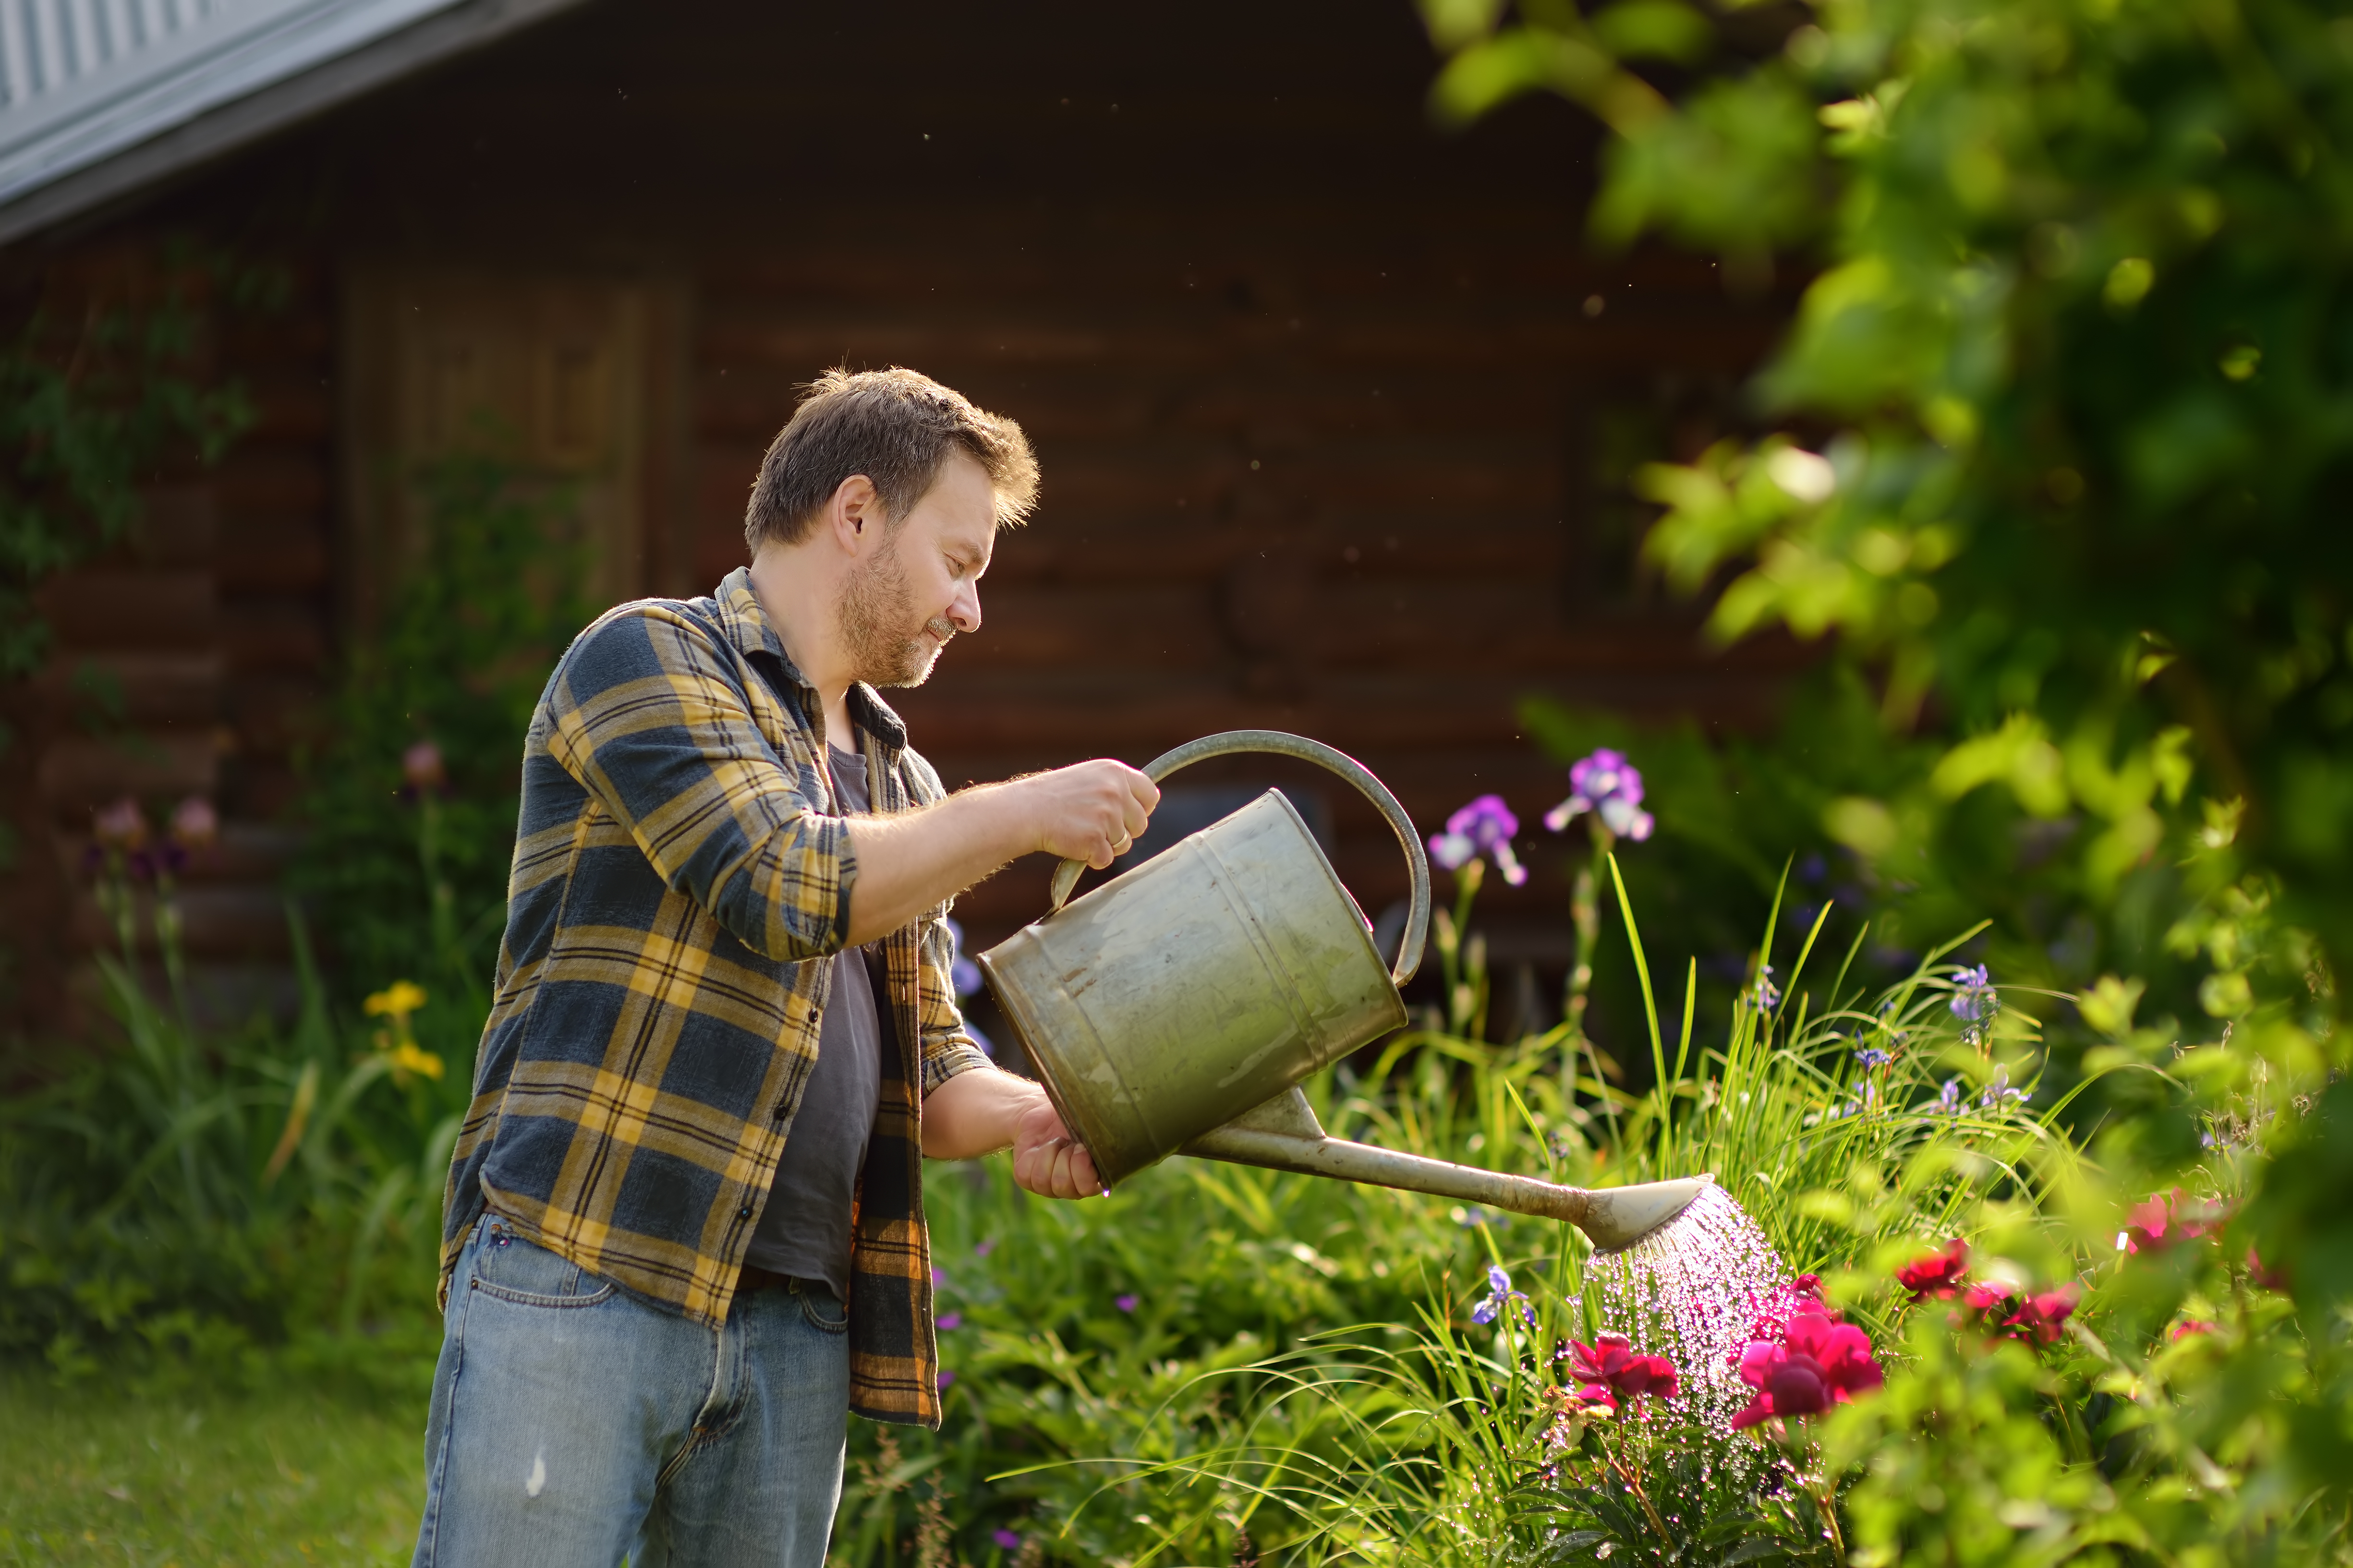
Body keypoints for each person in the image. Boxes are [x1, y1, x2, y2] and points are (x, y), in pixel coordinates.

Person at [412, 367, 1159, 1567]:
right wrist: (1023, 812)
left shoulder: (897, 782)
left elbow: (929, 1062)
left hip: (796, 1324)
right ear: (855, 514)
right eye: (958, 562)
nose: (971, 610)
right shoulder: (648, 657)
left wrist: (1050, 1110)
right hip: (591, 1270)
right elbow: (779, 882)